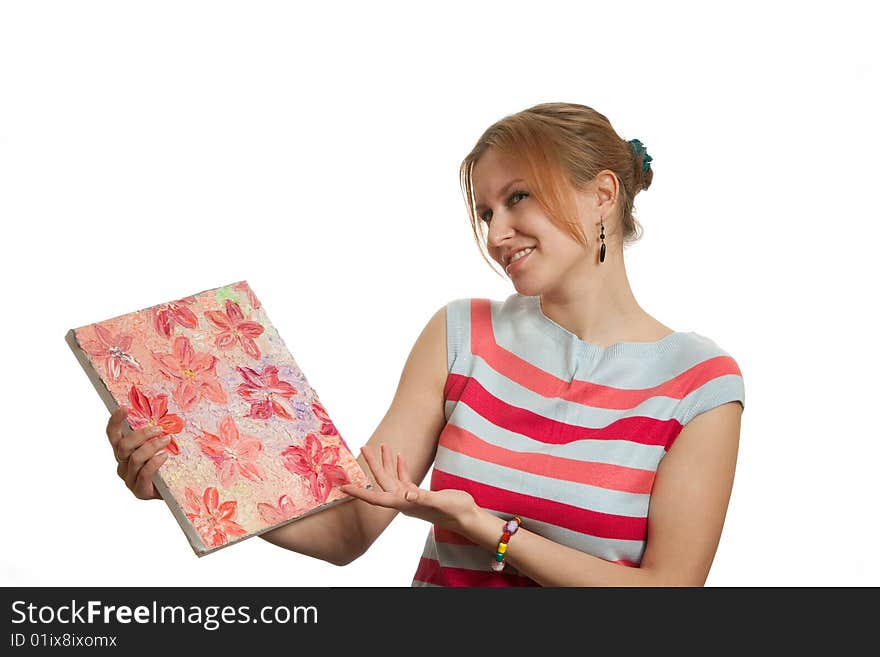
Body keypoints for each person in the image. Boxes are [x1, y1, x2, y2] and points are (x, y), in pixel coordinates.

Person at [106, 102, 745, 586]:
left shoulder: (700, 383)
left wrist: (489, 532)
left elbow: (668, 595)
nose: (497, 234)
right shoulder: (463, 334)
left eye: (518, 198)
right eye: (486, 212)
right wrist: (181, 476)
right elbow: (349, 528)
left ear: (603, 194)